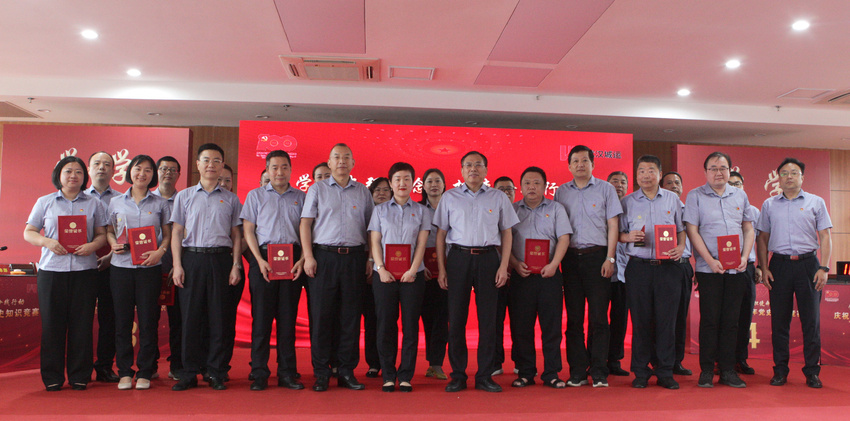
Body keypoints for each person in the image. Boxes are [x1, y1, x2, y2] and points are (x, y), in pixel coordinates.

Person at [434, 150, 519, 393]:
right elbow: (441, 234)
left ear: (486, 170)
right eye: (469, 165)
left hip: (489, 259)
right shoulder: (449, 197)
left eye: (478, 165)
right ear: (461, 170)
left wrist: (503, 265)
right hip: (458, 258)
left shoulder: (498, 197)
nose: (473, 169)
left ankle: (484, 375)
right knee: (456, 319)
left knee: (488, 320)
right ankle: (458, 375)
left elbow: (507, 233)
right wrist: (442, 268)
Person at [24, 156, 108, 391]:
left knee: (82, 325)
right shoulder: (45, 202)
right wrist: (47, 242)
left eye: (79, 172)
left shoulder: (94, 203)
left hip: (85, 272)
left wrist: (92, 246)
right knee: (52, 325)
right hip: (52, 272)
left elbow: (102, 235)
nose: (73, 176)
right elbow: (29, 232)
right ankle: (52, 377)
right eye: (68, 171)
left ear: (84, 177)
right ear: (58, 175)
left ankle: (79, 375)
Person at [300, 143, 374, 392]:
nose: (341, 161)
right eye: (336, 157)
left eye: (346, 157)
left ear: (353, 163)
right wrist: (308, 256)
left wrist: (370, 259)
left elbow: (371, 229)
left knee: (350, 317)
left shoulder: (362, 192)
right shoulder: (317, 189)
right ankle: (321, 372)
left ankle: (346, 371)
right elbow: (305, 224)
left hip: (354, 258)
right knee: (322, 316)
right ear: (329, 163)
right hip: (324, 257)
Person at [171, 143, 243, 391]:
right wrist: (177, 265)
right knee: (190, 318)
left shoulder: (231, 199)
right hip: (192, 259)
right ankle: (189, 372)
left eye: (216, 160)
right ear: (198, 165)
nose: (211, 165)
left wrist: (236, 265)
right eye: (206, 160)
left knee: (219, 318)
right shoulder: (184, 196)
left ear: (222, 166)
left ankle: (216, 371)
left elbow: (237, 234)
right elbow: (177, 232)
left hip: (221, 260)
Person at [757, 158, 832, 389]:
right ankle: (780, 371)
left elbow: (825, 236)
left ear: (802, 177)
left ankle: (812, 372)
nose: (789, 176)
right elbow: (762, 238)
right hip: (778, 265)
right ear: (778, 178)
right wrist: (764, 267)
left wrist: (824, 267)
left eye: (794, 172)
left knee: (811, 321)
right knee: (780, 322)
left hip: (809, 265)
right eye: (784, 173)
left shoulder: (816, 202)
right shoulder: (769, 205)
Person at [684, 151, 754, 389]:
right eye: (713, 168)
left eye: (723, 168)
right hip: (709, 269)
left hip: (737, 269)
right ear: (705, 172)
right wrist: (709, 260)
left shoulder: (740, 195)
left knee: (732, 321)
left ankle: (727, 370)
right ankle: (706, 370)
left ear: (730, 170)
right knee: (710, 320)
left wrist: (744, 256)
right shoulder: (695, 196)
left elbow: (748, 228)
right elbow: (692, 231)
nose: (718, 173)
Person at [553, 145, 622, 388]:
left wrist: (610, 258)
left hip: (598, 258)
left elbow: (613, 225)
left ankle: (599, 370)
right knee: (574, 319)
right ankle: (578, 371)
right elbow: (557, 229)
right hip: (570, 260)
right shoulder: (561, 192)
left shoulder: (606, 189)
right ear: (569, 166)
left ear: (593, 164)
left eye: (584, 160)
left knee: (599, 318)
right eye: (575, 161)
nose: (580, 165)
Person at [240, 150, 306, 391]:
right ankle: (259, 372)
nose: (280, 172)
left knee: (287, 320)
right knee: (261, 320)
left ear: (291, 170)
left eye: (284, 167)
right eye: (275, 167)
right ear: (267, 170)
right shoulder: (255, 196)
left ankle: (287, 373)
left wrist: (302, 259)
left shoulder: (301, 197)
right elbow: (248, 230)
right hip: (263, 260)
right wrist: (258, 260)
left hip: (292, 260)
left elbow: (307, 231)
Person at [619, 156, 686, 390]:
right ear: (636, 175)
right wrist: (627, 237)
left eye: (650, 171)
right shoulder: (627, 202)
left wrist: (681, 247)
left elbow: (681, 229)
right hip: (638, 268)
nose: (645, 175)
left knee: (667, 322)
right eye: (641, 171)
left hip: (668, 268)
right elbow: (617, 233)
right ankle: (640, 371)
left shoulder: (672, 199)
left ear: (659, 174)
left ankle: (665, 371)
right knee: (640, 321)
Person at [106, 155, 171, 390]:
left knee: (148, 320)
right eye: (137, 169)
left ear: (153, 175)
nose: (142, 174)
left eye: (147, 170)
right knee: (122, 321)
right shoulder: (115, 202)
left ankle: (145, 370)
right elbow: (109, 230)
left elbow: (168, 234)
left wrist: (160, 252)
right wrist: (112, 243)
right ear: (129, 171)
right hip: (121, 268)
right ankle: (124, 371)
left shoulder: (160, 203)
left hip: (149, 269)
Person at [368, 162, 430, 392]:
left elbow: (422, 244)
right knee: (385, 324)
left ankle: (405, 375)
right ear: (391, 183)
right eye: (397, 179)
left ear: (413, 183)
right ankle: (388, 374)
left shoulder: (422, 211)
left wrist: (413, 270)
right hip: (384, 276)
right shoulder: (380, 211)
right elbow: (375, 241)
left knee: (410, 326)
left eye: (406, 179)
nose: (402, 183)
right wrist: (381, 268)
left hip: (413, 276)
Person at [508, 167, 570, 389]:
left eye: (536, 183)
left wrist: (554, 265)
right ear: (521, 186)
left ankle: (551, 373)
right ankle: (526, 372)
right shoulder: (512, 210)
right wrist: (515, 264)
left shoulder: (556, 209)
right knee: (521, 327)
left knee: (551, 327)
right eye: (527, 183)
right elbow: (504, 241)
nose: (531, 187)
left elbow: (564, 238)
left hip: (549, 276)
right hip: (521, 276)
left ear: (545, 186)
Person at [86, 151, 120, 383]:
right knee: (82, 319)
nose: (102, 168)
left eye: (107, 164)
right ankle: (82, 367)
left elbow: (125, 234)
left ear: (114, 171)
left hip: (112, 266)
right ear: (88, 169)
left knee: (110, 319)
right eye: (97, 164)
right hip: (82, 267)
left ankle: (105, 366)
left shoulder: (121, 199)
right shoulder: (78, 198)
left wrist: (109, 257)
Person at [152, 156, 183, 380]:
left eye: (172, 170)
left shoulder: (185, 199)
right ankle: (149, 364)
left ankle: (178, 364)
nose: (168, 173)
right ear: (157, 172)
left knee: (178, 320)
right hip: (150, 268)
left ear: (179, 174)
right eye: (163, 169)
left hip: (177, 268)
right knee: (149, 319)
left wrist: (179, 264)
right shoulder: (146, 200)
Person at [661, 171, 695, 376]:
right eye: (669, 183)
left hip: (683, 266)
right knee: (663, 317)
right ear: (662, 187)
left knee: (680, 316)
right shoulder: (659, 208)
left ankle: (676, 361)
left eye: (677, 182)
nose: (674, 186)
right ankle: (660, 360)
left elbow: (699, 239)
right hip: (663, 266)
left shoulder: (689, 210)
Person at [728, 171, 761, 375]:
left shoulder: (753, 211)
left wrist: (760, 266)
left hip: (747, 267)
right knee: (725, 316)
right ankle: (721, 360)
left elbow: (761, 240)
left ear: (743, 186)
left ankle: (741, 359)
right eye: (730, 184)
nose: (735, 187)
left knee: (744, 315)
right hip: (723, 267)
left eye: (738, 184)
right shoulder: (719, 210)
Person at [418, 168, 449, 380]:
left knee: (443, 317)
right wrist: (420, 265)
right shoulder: (417, 209)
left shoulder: (453, 206)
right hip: (424, 270)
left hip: (448, 270)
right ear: (423, 186)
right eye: (429, 181)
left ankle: (436, 363)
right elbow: (411, 239)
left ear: (444, 185)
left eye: (438, 181)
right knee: (427, 316)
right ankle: (431, 361)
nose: (434, 185)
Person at [216, 163, 244, 381]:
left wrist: (234, 258)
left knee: (224, 319)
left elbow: (243, 236)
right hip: (203, 261)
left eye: (228, 180)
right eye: (220, 179)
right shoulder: (192, 198)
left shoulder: (236, 203)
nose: (224, 184)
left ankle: (220, 366)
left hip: (229, 264)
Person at [361, 177, 392, 378]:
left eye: (385, 190)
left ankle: (388, 362)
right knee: (371, 316)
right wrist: (371, 262)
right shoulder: (365, 213)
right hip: (367, 267)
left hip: (394, 268)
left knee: (387, 318)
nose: (381, 193)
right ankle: (373, 362)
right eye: (377, 190)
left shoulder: (396, 211)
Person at [605, 170, 630, 376]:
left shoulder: (632, 207)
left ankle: (614, 360)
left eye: (623, 182)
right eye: (615, 181)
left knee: (620, 319)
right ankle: (595, 358)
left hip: (626, 273)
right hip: (604, 270)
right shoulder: (602, 205)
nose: (619, 185)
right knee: (598, 318)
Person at [492, 176, 516, 376]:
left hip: (520, 274)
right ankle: (495, 361)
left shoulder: (522, 211)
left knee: (520, 320)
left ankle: (521, 361)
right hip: (495, 274)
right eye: (501, 189)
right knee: (494, 319)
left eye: (509, 189)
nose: (506, 193)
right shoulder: (490, 213)